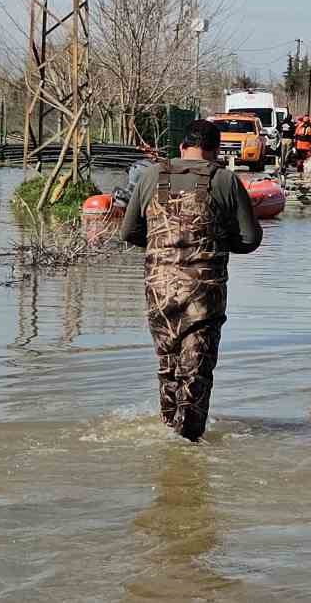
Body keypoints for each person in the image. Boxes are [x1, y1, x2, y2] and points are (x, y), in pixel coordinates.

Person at [121, 120, 263, 441]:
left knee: (168, 370)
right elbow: (250, 239)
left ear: (182, 147)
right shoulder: (225, 180)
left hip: (158, 291)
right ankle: (188, 449)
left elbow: (128, 232)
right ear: (215, 152)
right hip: (203, 294)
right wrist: (218, 240)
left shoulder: (149, 176)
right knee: (196, 375)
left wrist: (163, 248)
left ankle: (168, 435)